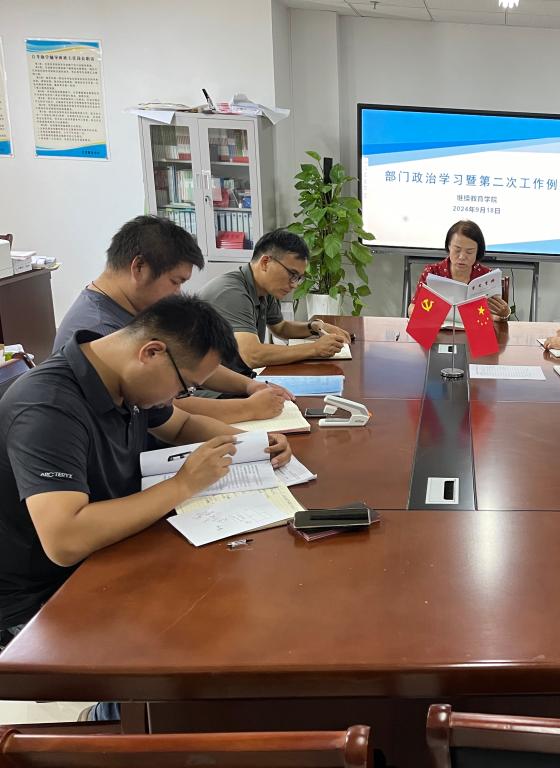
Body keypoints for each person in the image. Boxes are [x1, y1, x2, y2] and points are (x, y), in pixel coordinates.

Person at [0, 295, 293, 651]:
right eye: (184, 387)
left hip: (109, 554)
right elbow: (65, 540)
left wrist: (255, 444)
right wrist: (183, 484)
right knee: (201, 638)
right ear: (151, 353)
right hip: (42, 598)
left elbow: (181, 425)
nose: (179, 397)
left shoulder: (121, 379)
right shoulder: (47, 408)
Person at [53, 215, 291, 423]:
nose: (177, 293)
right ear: (139, 267)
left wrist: (249, 385)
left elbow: (189, 361)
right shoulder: (100, 330)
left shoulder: (131, 308)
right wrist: (248, 408)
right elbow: (165, 407)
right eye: (175, 282)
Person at [198, 229, 352, 375]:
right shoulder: (232, 293)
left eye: (298, 277)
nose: (294, 285)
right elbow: (251, 355)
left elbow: (280, 327)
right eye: (292, 274)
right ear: (265, 262)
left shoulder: (264, 289)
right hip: (206, 387)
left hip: (236, 377)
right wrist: (314, 348)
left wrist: (316, 327)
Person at [408, 220, 511, 321]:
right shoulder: (432, 272)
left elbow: (496, 317)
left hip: (475, 329)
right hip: (438, 329)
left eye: (469, 252)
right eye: (457, 250)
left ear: (478, 251)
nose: (462, 257)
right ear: (449, 246)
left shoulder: (487, 277)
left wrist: (504, 314)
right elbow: (413, 308)